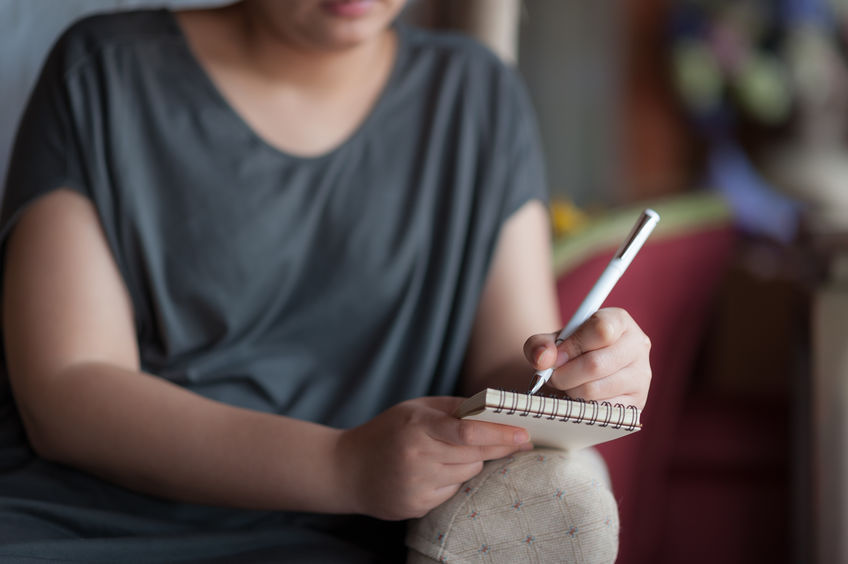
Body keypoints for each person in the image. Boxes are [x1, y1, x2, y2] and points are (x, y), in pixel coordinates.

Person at [0, 0, 651, 562]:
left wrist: (586, 374)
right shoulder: (102, 71)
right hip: (75, 524)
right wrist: (341, 466)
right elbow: (67, 391)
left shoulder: (478, 97)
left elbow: (514, 367)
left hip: (337, 542)